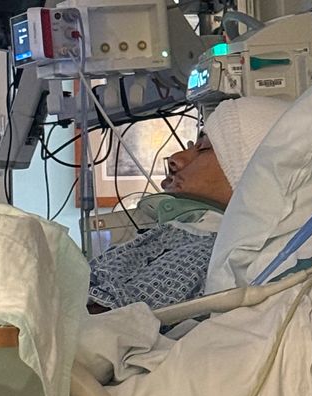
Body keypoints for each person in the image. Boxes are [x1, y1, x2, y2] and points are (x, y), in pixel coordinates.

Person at [87, 96, 291, 313]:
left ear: (253, 172)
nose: (175, 158)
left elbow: (98, 322)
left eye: (203, 148)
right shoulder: (188, 234)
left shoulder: (211, 255)